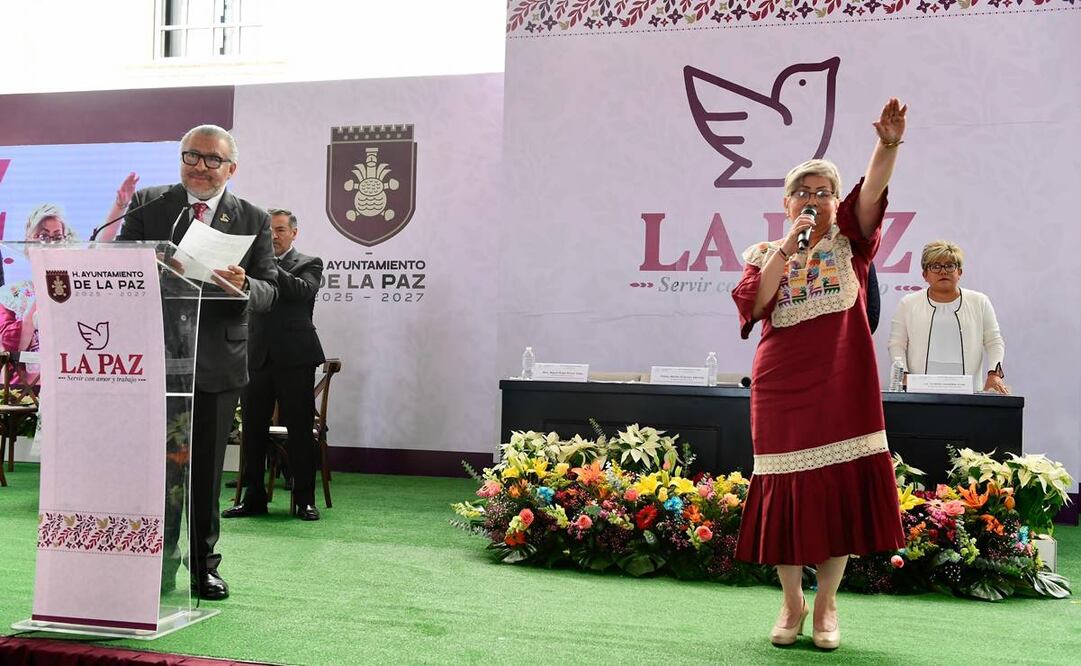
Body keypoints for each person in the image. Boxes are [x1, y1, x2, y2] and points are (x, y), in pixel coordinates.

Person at [731, 99, 908, 650]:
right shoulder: (763, 252)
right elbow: (756, 304)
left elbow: (873, 190)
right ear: (786, 204)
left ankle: (828, 603)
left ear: (837, 202)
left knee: (837, 491)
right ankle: (791, 601)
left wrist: (887, 145)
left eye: (823, 191)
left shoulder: (852, 242)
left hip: (841, 382)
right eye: (803, 193)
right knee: (784, 487)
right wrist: (786, 248)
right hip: (780, 386)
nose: (813, 199)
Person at [119, 125, 277, 600]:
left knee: (204, 473)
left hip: (215, 364)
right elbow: (120, 262)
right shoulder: (150, 203)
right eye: (192, 156)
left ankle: (201, 567)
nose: (200, 167)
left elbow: (270, 288)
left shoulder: (252, 217)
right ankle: (157, 564)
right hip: (153, 356)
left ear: (232, 168)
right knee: (157, 470)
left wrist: (242, 284)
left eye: (212, 160)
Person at [223, 208, 325, 522]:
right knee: (251, 430)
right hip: (256, 357)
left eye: (280, 230)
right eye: (268, 232)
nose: (273, 236)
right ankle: (253, 498)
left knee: (300, 429)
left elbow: (300, 292)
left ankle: (304, 500)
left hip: (295, 357)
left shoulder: (309, 263)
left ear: (293, 233)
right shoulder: (248, 268)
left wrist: (268, 265)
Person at [0, 173, 139, 383]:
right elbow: (15, 348)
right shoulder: (12, 294)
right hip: (26, 395)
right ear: (28, 239)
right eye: (43, 236)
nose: (50, 243)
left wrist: (119, 206)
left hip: (72, 384)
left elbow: (99, 246)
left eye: (57, 237)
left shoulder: (76, 283)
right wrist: (34, 309)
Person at [888, 240, 1006, 393]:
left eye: (950, 266)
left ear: (960, 272)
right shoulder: (908, 303)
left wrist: (994, 374)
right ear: (925, 274)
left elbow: (994, 341)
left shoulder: (979, 301)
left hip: (968, 393)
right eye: (935, 266)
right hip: (919, 393)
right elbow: (896, 344)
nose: (943, 272)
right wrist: (903, 375)